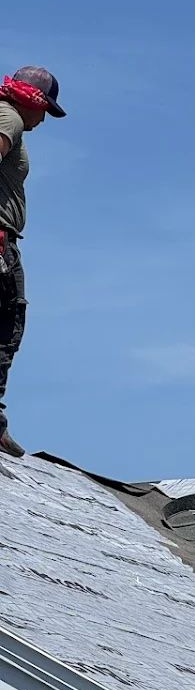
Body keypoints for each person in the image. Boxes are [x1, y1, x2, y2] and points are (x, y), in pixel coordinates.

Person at [0, 66, 66, 458]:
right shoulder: (9, 117)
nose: (43, 122)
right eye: (46, 111)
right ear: (34, 101)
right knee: (7, 323)